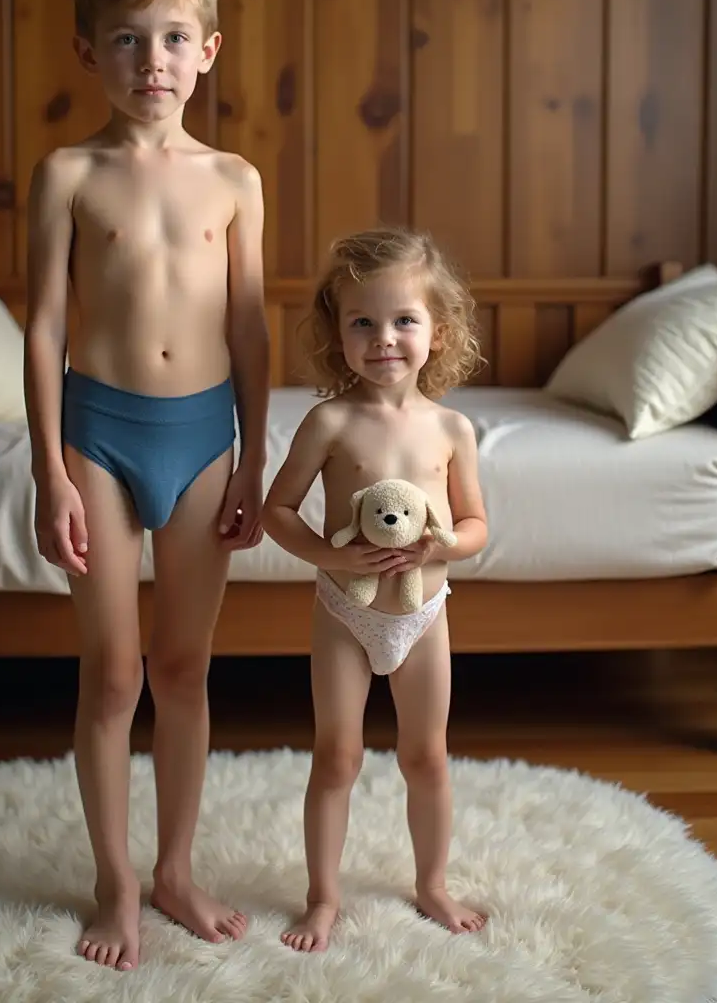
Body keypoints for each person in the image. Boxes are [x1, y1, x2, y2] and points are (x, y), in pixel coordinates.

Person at [23, 0, 270, 972]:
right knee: (114, 670)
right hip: (99, 431)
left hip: (204, 433)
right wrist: (47, 470)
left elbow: (252, 324)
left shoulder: (234, 179)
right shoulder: (68, 171)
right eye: (128, 40)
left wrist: (257, 456)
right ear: (90, 52)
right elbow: (41, 324)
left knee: (182, 663)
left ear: (208, 50)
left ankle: (172, 865)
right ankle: (115, 879)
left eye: (173, 37)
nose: (152, 60)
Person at [262, 227, 489, 952]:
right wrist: (328, 558)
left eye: (403, 321)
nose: (383, 338)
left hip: (424, 613)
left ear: (437, 330)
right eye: (362, 321)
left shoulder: (452, 427)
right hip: (343, 615)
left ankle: (432, 884)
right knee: (338, 756)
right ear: (337, 331)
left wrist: (445, 542)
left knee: (426, 755)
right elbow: (277, 511)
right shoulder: (329, 420)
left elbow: (478, 522)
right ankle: (322, 898)